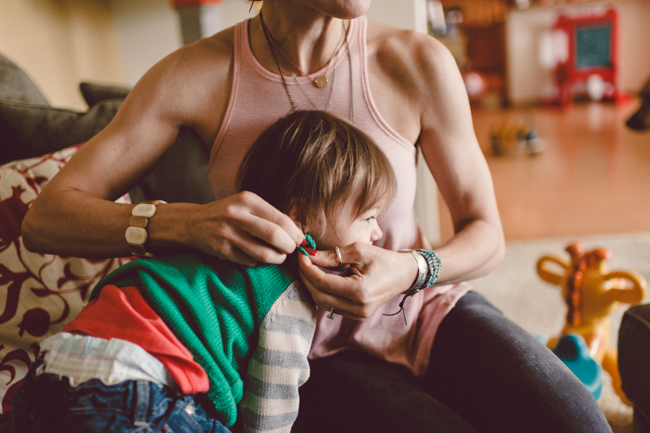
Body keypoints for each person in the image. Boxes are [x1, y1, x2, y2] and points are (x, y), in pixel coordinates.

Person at [21, 0, 613, 431]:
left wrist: (409, 269)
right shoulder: (193, 75)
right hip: (292, 349)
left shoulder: (415, 60)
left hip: (418, 305)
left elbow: (487, 233)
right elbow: (48, 217)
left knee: (577, 422)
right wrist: (181, 221)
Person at [12, 110, 397, 433]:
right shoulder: (286, 288)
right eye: (369, 217)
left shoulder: (201, 240)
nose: (378, 232)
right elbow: (270, 407)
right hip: (136, 386)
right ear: (300, 215)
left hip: (50, 370)